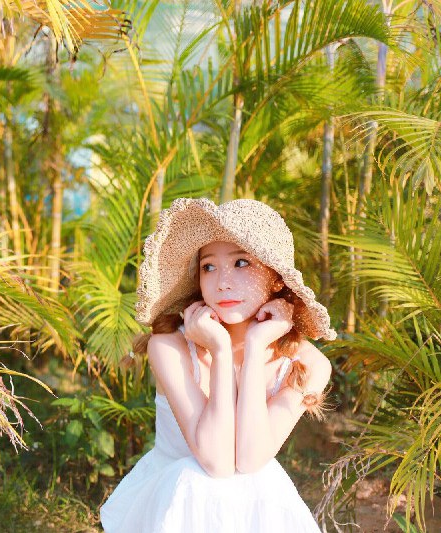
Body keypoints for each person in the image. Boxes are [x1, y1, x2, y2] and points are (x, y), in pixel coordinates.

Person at [100, 197, 336, 533]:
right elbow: (216, 462)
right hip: (175, 503)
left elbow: (251, 459)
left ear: (277, 278)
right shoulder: (169, 347)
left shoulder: (310, 363)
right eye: (209, 267)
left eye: (241, 263)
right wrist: (221, 351)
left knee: (259, 478)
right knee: (197, 478)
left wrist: (255, 347)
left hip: (250, 510)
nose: (222, 281)